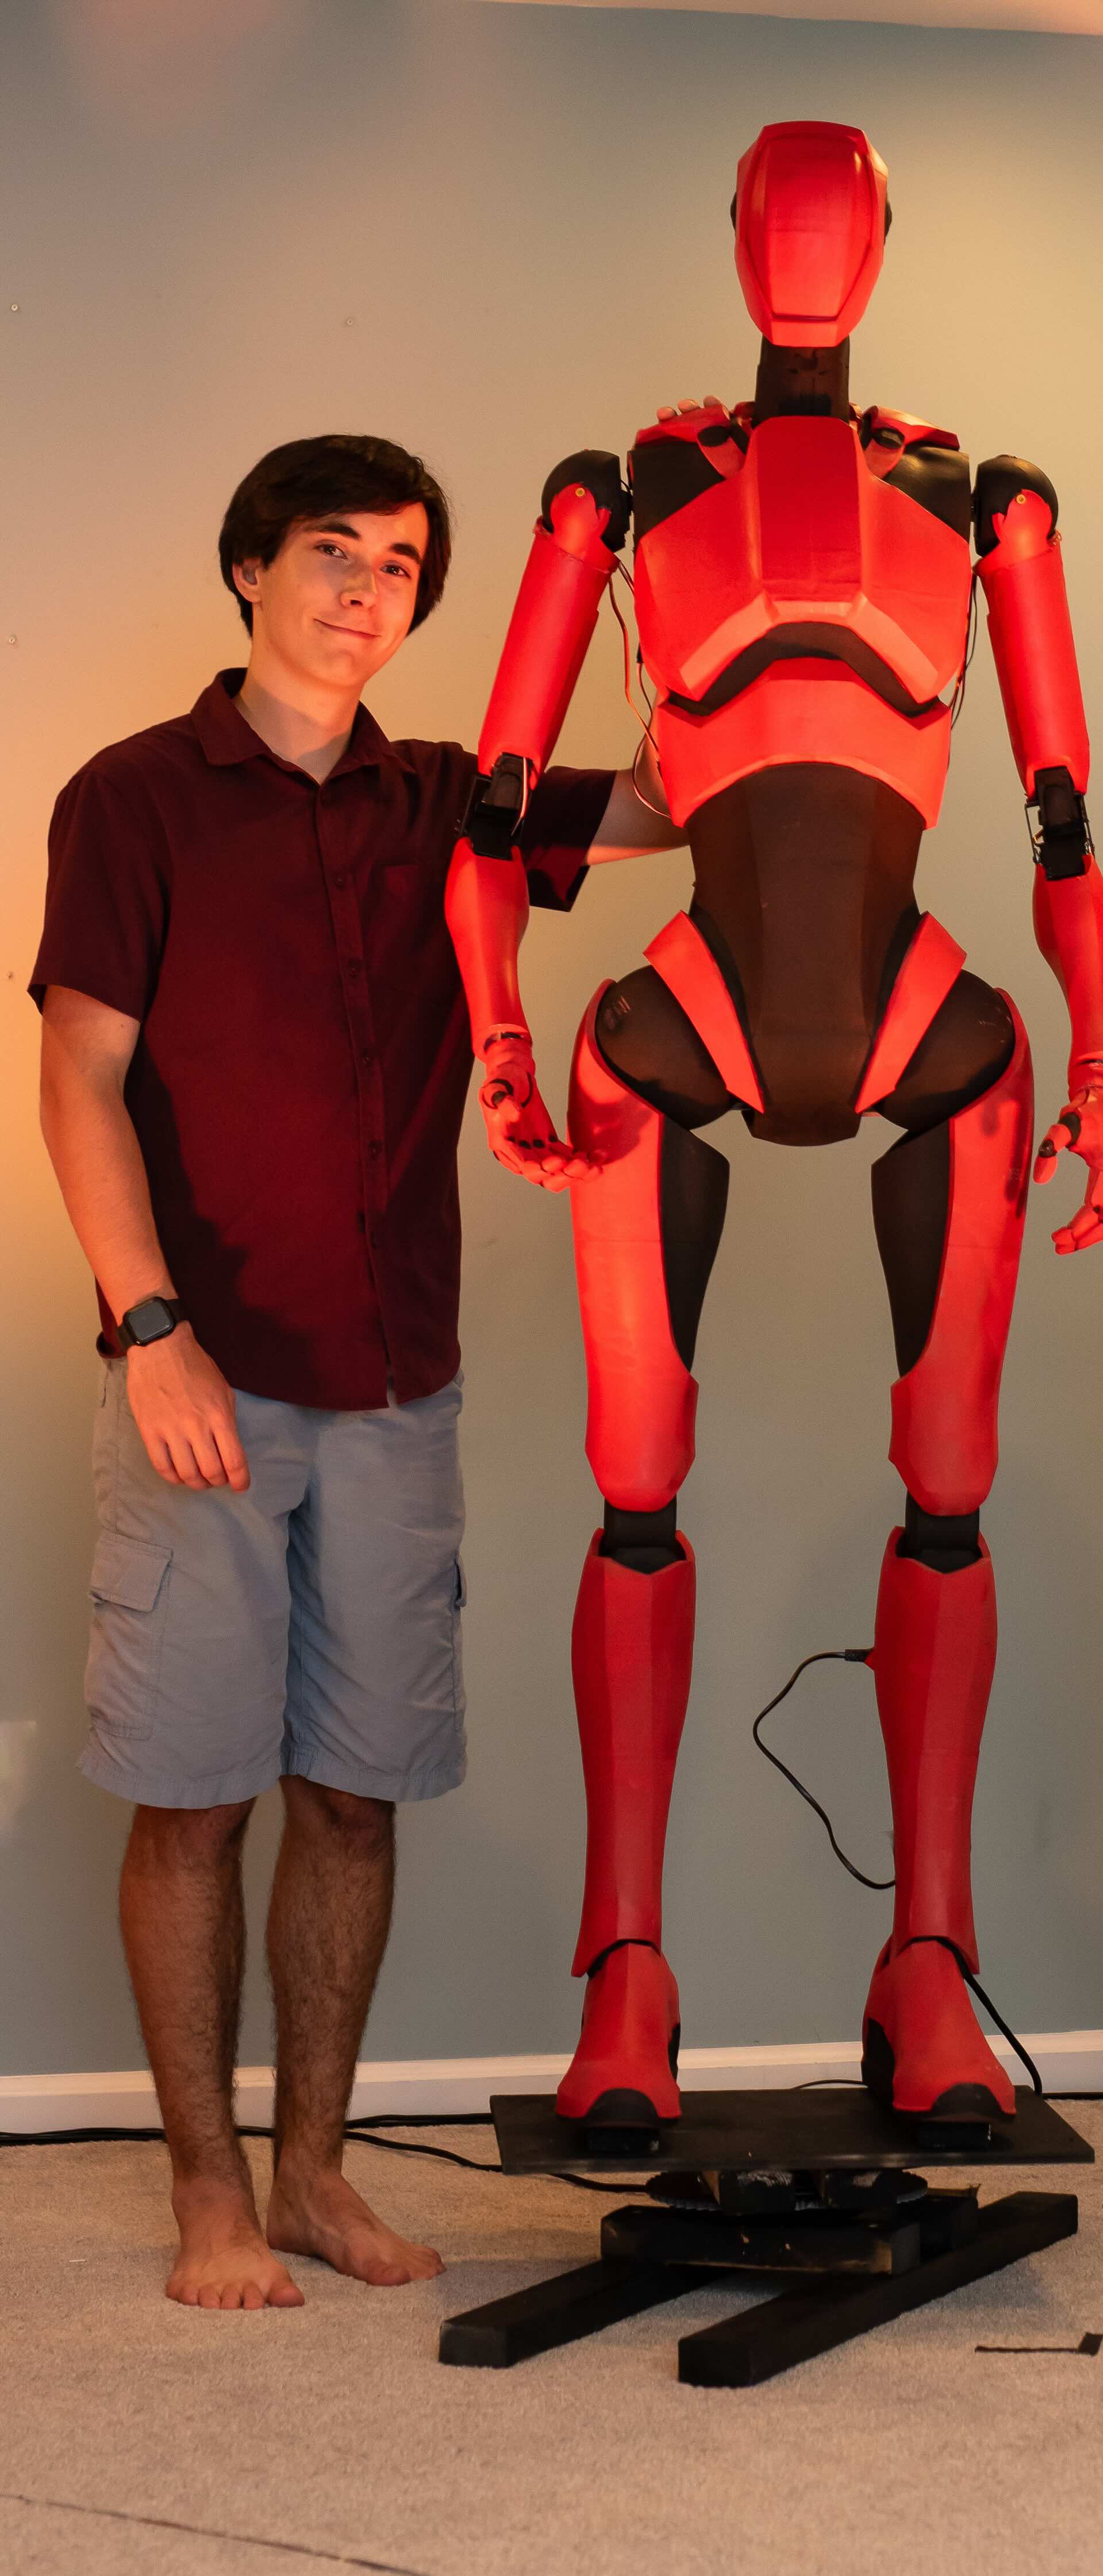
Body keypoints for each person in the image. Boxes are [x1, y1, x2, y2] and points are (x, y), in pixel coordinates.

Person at [34, 433, 681, 2312]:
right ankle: (207, 2195)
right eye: (333, 552)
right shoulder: (134, 796)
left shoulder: (454, 804)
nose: (365, 590)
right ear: (249, 565)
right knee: (194, 1795)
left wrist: (647, 563)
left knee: (352, 1790)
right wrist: (150, 1328)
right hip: (203, 1380)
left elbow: (681, 792)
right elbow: (78, 1080)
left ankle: (314, 2173)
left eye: (402, 565)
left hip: (402, 1382)